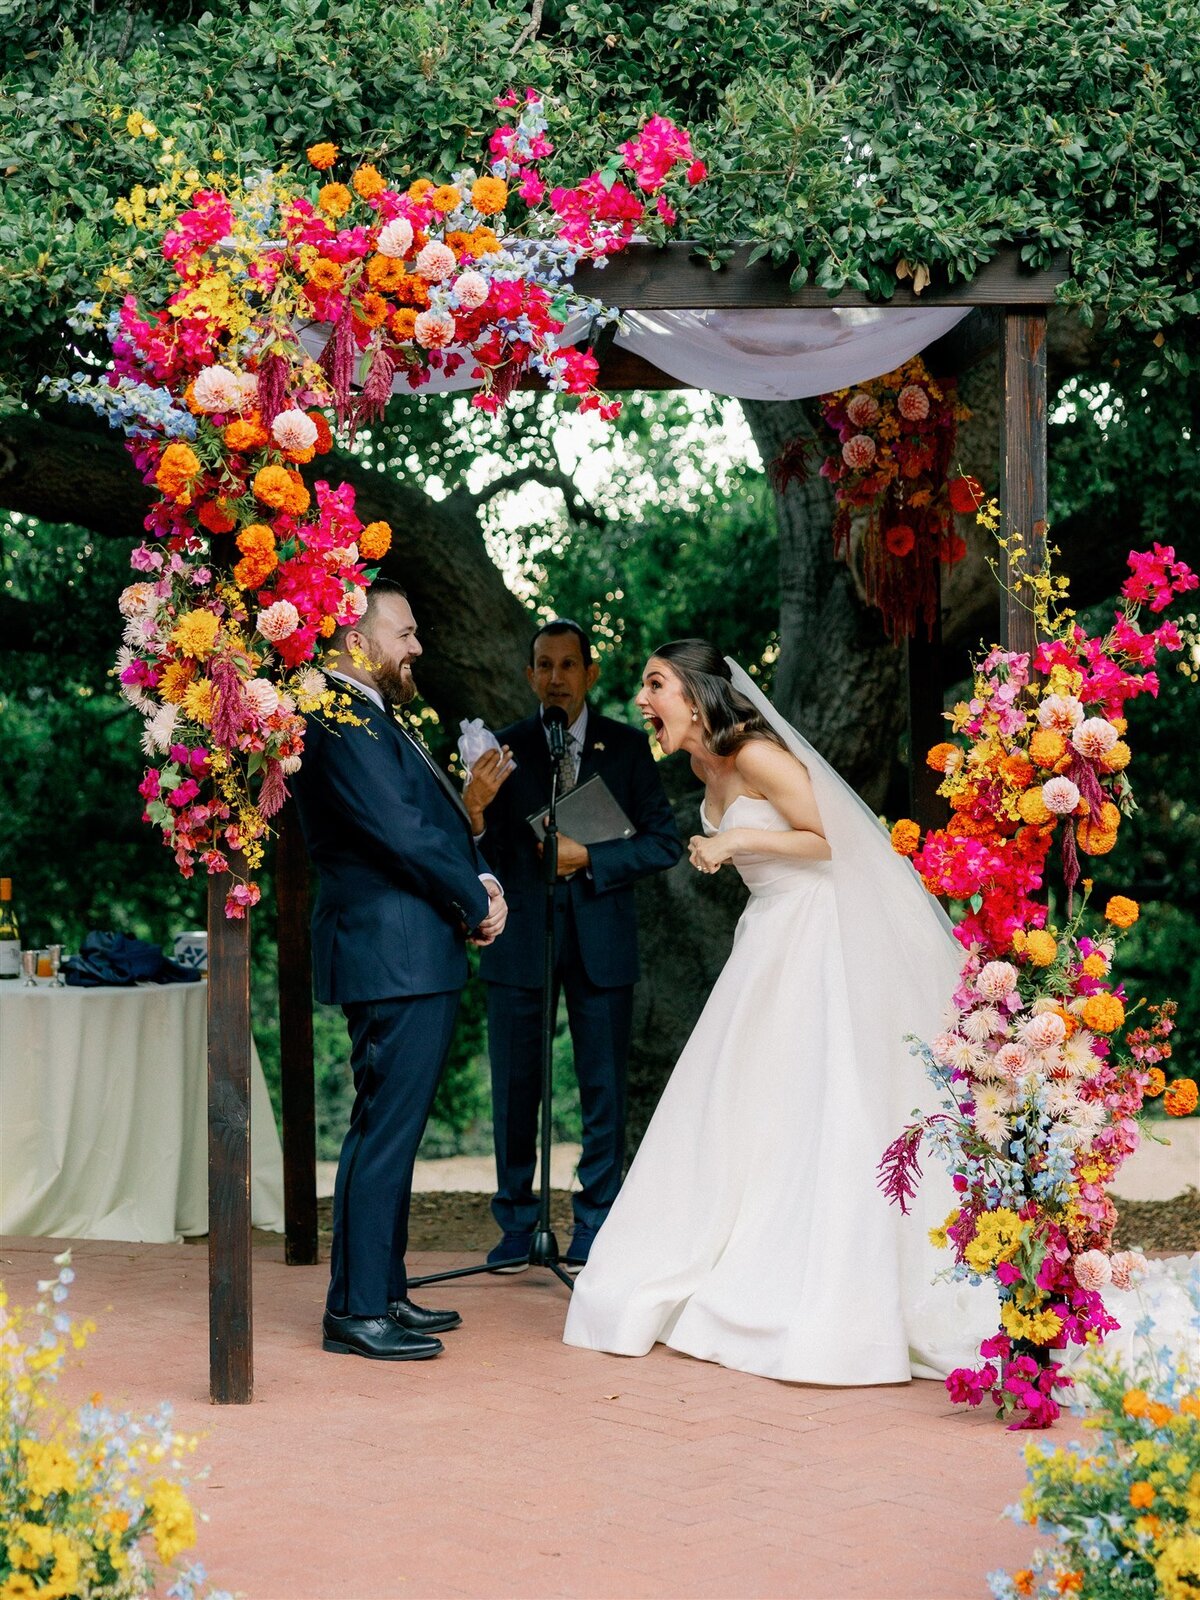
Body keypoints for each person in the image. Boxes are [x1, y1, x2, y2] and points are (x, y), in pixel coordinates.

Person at [563, 639, 984, 1385]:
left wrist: (742, 838)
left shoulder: (755, 754)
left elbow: (833, 841)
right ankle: (741, 1253)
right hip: (768, 936)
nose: (640, 699)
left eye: (654, 684)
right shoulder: (699, 765)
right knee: (747, 1104)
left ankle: (833, 1287)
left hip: (817, 933)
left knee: (824, 1100)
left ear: (694, 696)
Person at [290, 579, 508, 1361]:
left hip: (411, 949)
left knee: (392, 1130)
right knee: (381, 1132)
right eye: (405, 632)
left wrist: (481, 880)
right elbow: (401, 834)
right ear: (358, 638)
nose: (417, 646)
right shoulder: (336, 713)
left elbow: (434, 821)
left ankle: (382, 1289)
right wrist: (475, 894)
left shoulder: (372, 713)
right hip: (392, 952)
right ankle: (355, 1310)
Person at [464, 618, 684, 1271]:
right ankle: (515, 1223)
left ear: (590, 673)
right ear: (530, 675)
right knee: (515, 1085)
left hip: (601, 938)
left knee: (602, 1087)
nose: (556, 678)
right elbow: (478, 850)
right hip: (520, 938)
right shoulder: (500, 752)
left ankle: (596, 1222)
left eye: (568, 666)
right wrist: (474, 811)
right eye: (544, 666)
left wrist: (590, 857)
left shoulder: (627, 747)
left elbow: (663, 843)